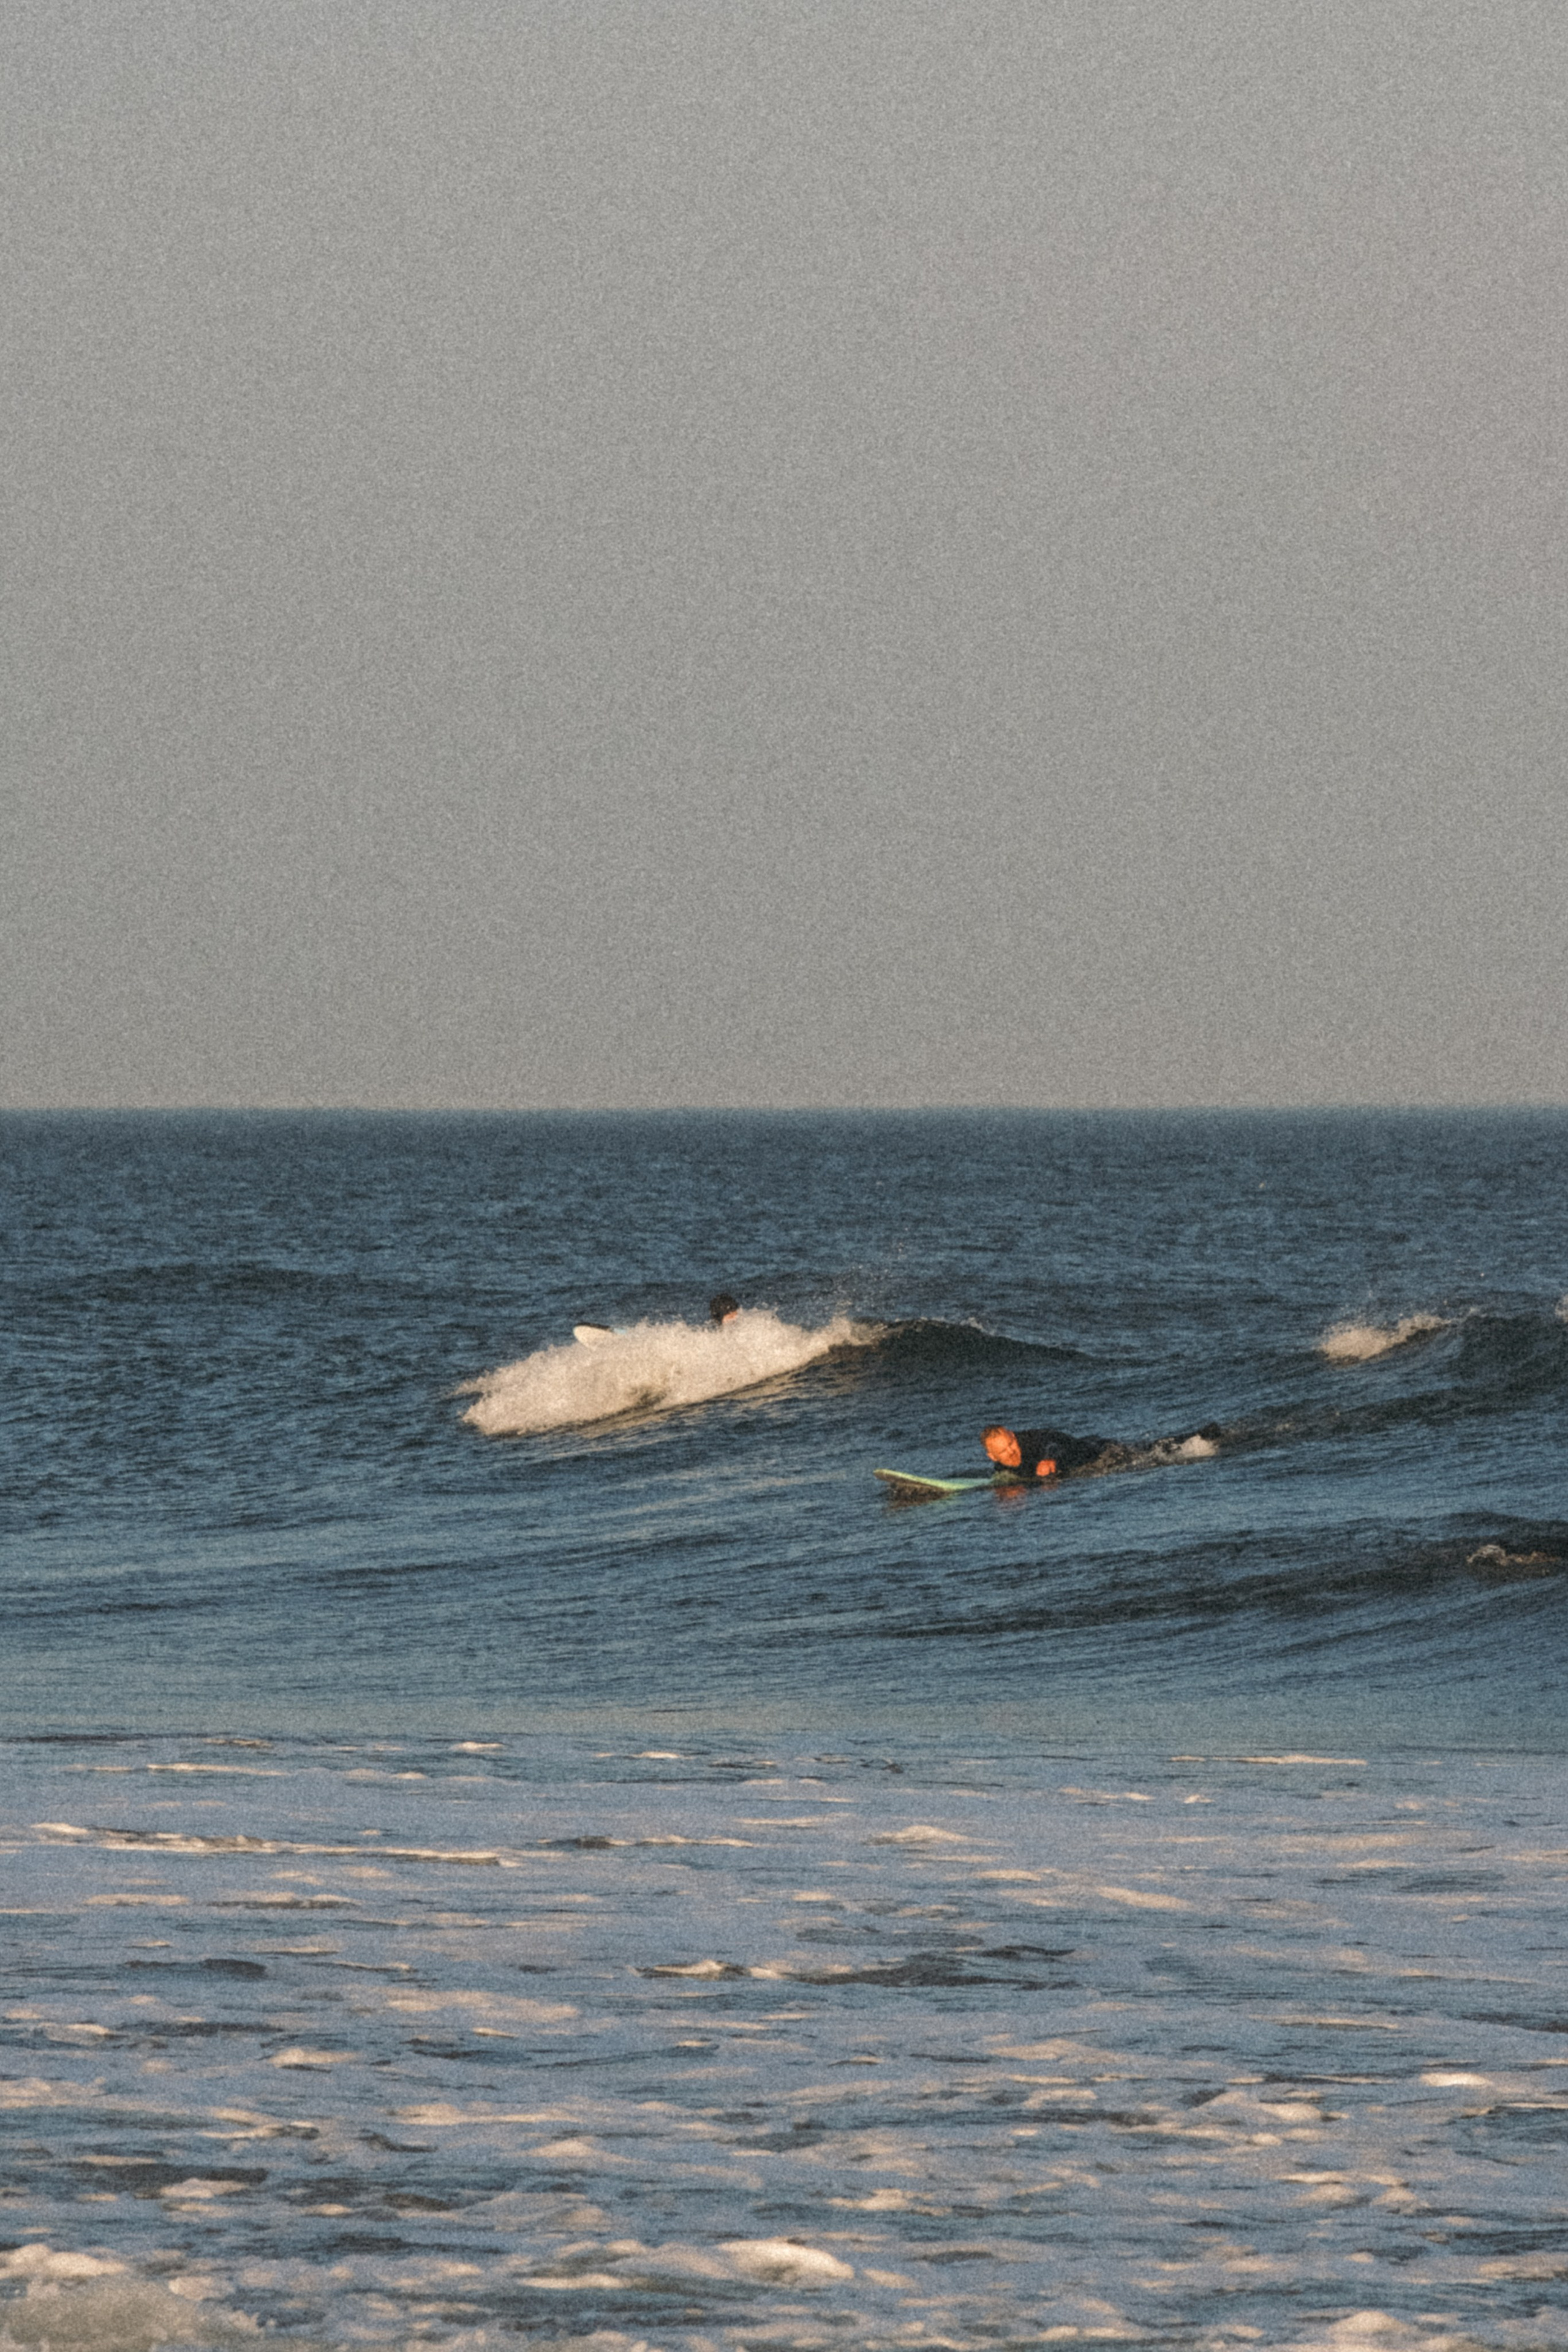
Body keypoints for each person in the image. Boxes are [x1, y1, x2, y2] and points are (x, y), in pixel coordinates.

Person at [981, 1425, 1129, 1479]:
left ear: (1013, 1436)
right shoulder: (1001, 1468)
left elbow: (1052, 1444)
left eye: (1011, 1444)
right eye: (1003, 1451)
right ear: (993, 1457)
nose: (1011, 1452)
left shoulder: (1031, 1442)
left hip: (1096, 1451)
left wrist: (1049, 1459)